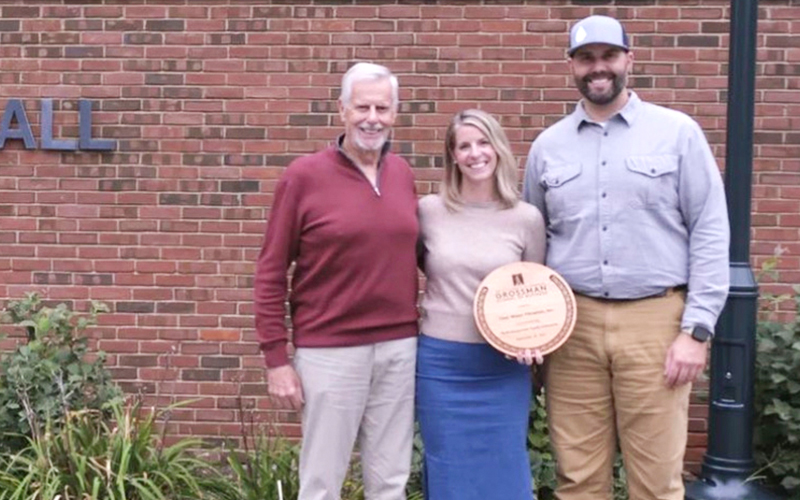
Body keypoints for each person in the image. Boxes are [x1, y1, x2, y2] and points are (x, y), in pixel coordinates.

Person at [522, 15, 730, 500]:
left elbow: (710, 231)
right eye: (586, 58)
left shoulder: (677, 133)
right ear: (572, 66)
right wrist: (531, 329)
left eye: (608, 56)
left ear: (628, 60)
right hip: (573, 330)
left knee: (656, 482)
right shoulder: (547, 147)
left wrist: (696, 331)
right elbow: (532, 244)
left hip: (656, 324)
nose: (599, 68)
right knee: (578, 479)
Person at [253, 62, 419, 500]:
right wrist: (276, 359)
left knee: (390, 480)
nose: (372, 117)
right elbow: (271, 271)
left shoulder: (402, 174)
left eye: (382, 107)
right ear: (341, 110)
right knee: (323, 482)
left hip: (399, 349)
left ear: (395, 113)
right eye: (362, 106)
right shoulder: (303, 177)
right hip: (329, 351)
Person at [416, 109, 546, 500]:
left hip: (502, 368)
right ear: (452, 156)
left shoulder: (526, 218)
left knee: (505, 466)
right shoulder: (428, 211)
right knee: (449, 469)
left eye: (483, 142)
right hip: (441, 365)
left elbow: (536, 295)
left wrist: (532, 340)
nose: (475, 153)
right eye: (464, 146)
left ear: (499, 148)